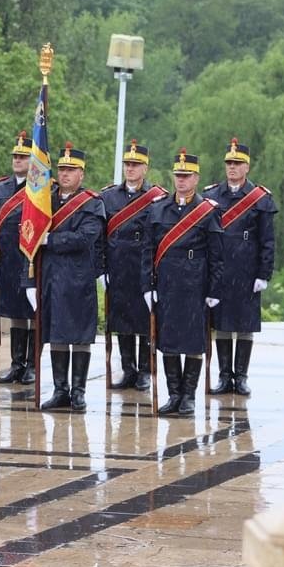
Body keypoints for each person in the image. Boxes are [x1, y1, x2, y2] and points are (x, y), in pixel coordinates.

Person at [142, 149, 224, 415]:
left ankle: (188, 396)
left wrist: (214, 288)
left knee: (192, 341)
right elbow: (147, 250)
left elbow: (217, 254)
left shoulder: (207, 211)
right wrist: (147, 285)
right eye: (178, 176)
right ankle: (174, 394)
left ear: (196, 178)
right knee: (168, 340)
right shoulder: (158, 209)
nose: (181, 181)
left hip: (194, 284)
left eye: (186, 176)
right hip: (166, 283)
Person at [26, 143, 105, 412]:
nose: (66, 174)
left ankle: (78, 391)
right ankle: (61, 390)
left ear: (81, 174)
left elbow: (86, 238)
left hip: (79, 277)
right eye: (62, 169)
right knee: (57, 333)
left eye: (72, 170)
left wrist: (51, 239)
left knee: (80, 336)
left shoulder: (92, 203)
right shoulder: (43, 200)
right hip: (50, 276)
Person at [203, 138, 277, 397]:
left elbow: (267, 240)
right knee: (222, 322)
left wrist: (264, 273)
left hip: (247, 269)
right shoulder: (211, 195)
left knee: (244, 325)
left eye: (237, 163)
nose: (232, 168)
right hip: (221, 268)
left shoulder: (260, 198)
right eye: (229, 163)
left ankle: (241, 377)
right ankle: (224, 377)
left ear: (247, 167)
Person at [100, 140, 168, 390]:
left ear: (145, 168)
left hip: (142, 265)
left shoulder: (157, 198)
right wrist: (102, 268)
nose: (130, 168)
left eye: (135, 165)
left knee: (144, 319)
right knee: (122, 320)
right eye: (127, 164)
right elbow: (101, 235)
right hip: (118, 266)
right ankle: (128, 369)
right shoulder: (108, 196)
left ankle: (145, 371)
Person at [0, 132, 37, 385]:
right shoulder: (0, 188)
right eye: (15, 156)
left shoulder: (41, 188)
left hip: (30, 259)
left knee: (33, 313)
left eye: (22, 157)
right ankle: (17, 364)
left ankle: (32, 366)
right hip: (7, 260)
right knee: (15, 314)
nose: (17, 160)